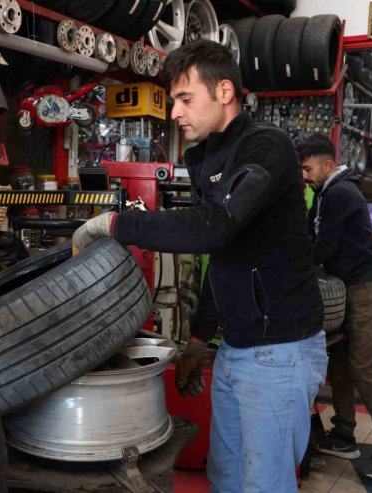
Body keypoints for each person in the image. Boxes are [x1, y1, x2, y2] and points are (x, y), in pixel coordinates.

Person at [72, 40, 328, 493]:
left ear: (224, 91)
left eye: (185, 98)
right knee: (226, 476)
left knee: (264, 484)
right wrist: (196, 341)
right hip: (236, 350)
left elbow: (216, 227)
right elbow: (226, 259)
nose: (174, 112)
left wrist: (116, 222)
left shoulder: (265, 146)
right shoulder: (210, 159)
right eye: (174, 100)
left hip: (279, 353)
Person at [299, 134, 372, 479]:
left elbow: (323, 248)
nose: (304, 175)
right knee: (342, 364)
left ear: (328, 165)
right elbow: (311, 239)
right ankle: (345, 433)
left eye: (308, 168)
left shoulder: (340, 194)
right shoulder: (323, 195)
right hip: (346, 289)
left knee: (364, 369)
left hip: (364, 290)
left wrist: (287, 264)